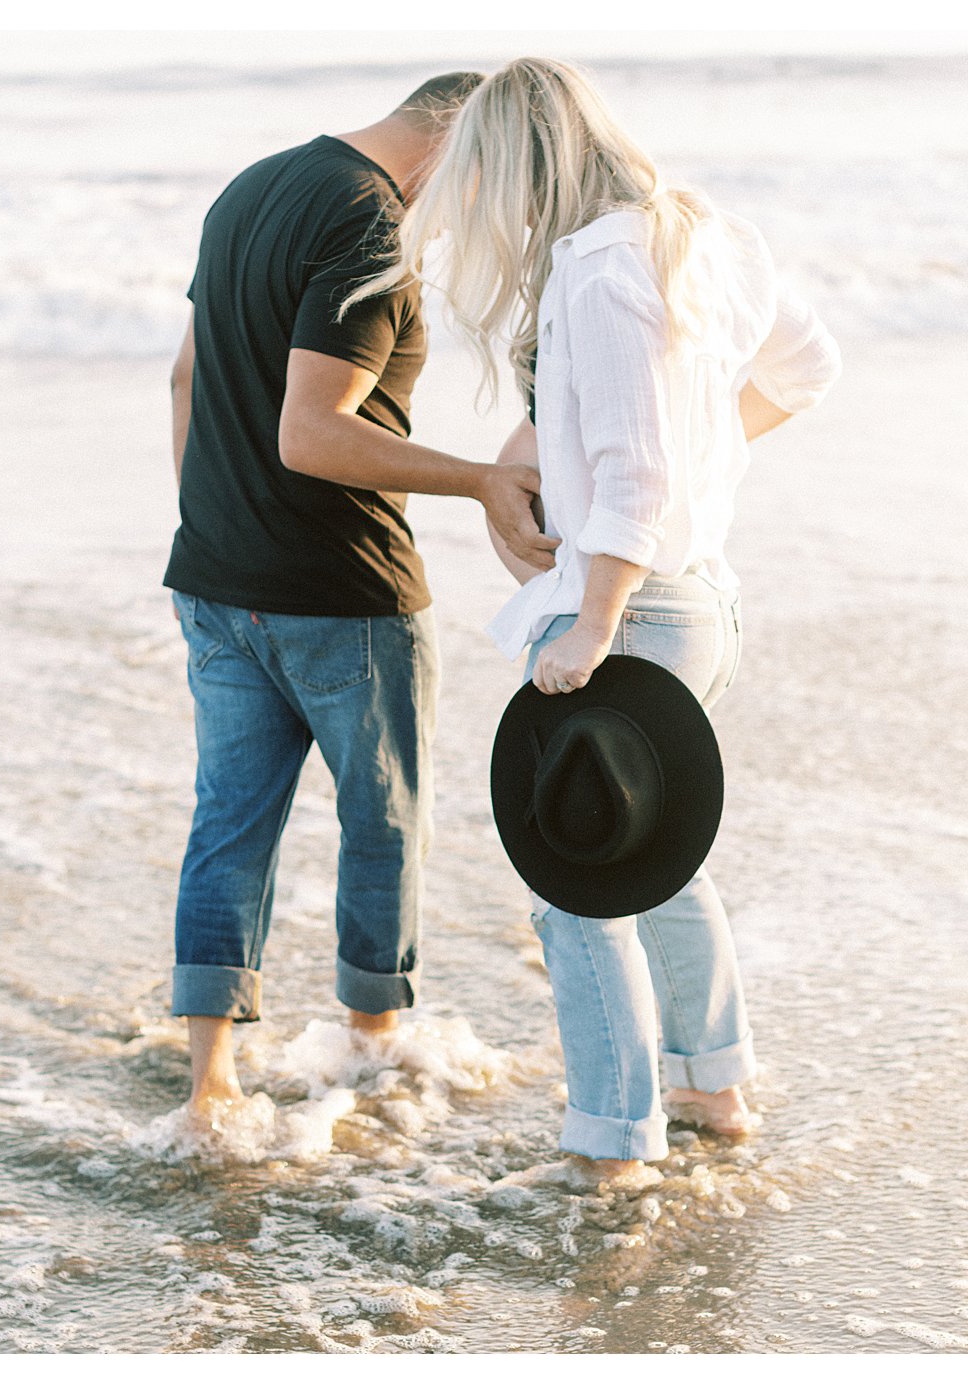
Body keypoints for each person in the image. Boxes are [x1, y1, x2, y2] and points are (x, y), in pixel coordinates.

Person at [346, 57, 841, 1180]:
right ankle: (715, 1086)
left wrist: (592, 617)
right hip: (697, 597)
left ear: (523, 168)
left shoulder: (598, 264)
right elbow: (806, 366)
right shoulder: (702, 235)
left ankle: (611, 1146)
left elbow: (630, 470)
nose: (476, 205)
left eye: (480, 180)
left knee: (576, 882)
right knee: (653, 849)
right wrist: (697, 467)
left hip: (629, 609)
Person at [163, 72, 556, 1122]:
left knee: (227, 826)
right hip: (342, 588)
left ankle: (210, 1079)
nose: (475, 213)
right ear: (458, 146)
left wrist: (214, 526)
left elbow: (184, 380)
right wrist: (482, 477)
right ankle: (374, 1045)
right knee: (382, 821)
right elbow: (311, 430)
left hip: (214, 581)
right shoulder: (369, 226)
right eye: (488, 186)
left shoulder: (251, 188)